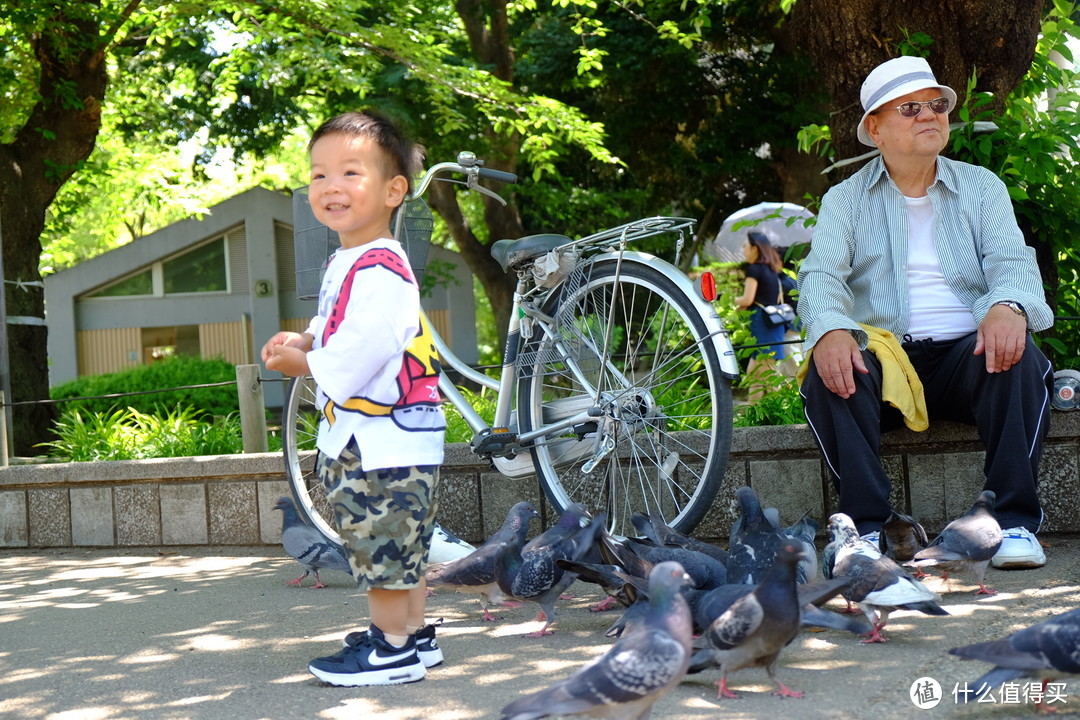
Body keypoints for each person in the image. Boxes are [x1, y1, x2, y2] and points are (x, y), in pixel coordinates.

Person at [796, 56, 1055, 569]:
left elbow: (1011, 264)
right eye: (910, 108)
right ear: (875, 128)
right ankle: (865, 533)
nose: (929, 115)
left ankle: (1014, 523)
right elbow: (820, 275)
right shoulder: (844, 200)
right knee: (830, 371)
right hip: (888, 361)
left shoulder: (982, 188)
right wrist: (829, 329)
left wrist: (1008, 306)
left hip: (968, 357)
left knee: (1021, 357)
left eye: (936, 105)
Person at [261, 110, 446, 685]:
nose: (330, 187)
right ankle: (412, 636)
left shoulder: (384, 270)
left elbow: (365, 347)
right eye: (318, 176)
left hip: (382, 441)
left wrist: (307, 364)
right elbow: (334, 320)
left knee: (383, 549)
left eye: (349, 172)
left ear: (395, 190)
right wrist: (308, 336)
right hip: (386, 436)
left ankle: (391, 652)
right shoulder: (351, 259)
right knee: (402, 543)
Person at [735, 230, 788, 401]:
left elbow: (747, 298)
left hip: (763, 325)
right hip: (774, 325)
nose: (743, 250)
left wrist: (728, 299)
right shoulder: (771, 270)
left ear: (755, 248)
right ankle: (754, 411)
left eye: (745, 246)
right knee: (756, 372)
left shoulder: (754, 269)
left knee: (767, 374)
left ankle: (782, 411)